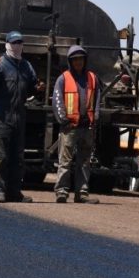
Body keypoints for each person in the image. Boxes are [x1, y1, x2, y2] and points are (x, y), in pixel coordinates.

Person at [0, 31, 43, 203]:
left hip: (19, 118)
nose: (17, 46)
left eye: (19, 43)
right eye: (14, 43)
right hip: (1, 117)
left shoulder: (26, 66)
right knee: (0, 157)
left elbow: (32, 87)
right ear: (8, 45)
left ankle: (14, 192)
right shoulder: (0, 64)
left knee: (17, 159)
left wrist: (38, 88)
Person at [52, 45, 101, 204]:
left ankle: (82, 193)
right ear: (70, 62)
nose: (78, 62)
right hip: (70, 127)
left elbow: (97, 99)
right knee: (65, 161)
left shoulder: (92, 78)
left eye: (80, 59)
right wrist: (63, 120)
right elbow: (57, 100)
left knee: (84, 162)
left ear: (85, 60)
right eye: (75, 60)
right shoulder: (63, 79)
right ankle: (61, 192)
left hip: (87, 127)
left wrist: (95, 117)